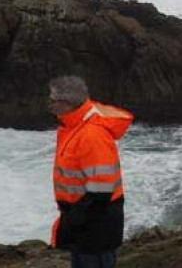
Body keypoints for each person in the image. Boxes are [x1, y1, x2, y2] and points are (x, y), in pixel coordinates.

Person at [48, 76, 133, 268]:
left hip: (96, 225)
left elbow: (101, 193)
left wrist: (71, 222)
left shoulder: (91, 135)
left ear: (68, 104)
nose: (50, 105)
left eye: (53, 100)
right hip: (84, 221)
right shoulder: (73, 128)